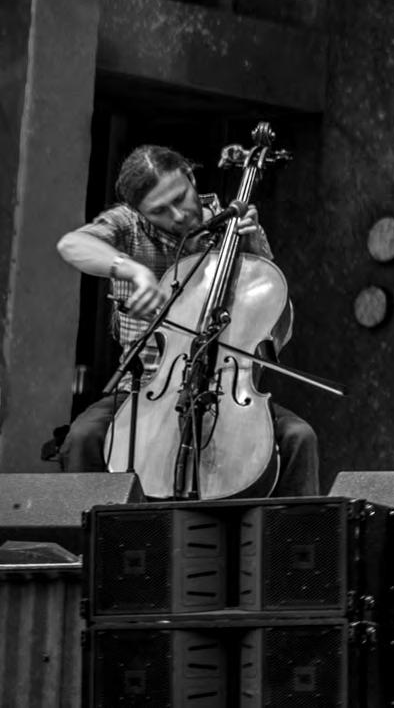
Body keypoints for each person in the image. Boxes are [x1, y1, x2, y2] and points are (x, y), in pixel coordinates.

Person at [55, 144, 319, 497]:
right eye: (159, 211)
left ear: (190, 177)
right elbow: (71, 244)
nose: (178, 215)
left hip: (225, 390)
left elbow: (278, 325)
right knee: (83, 437)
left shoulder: (235, 225)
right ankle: (93, 533)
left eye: (181, 197)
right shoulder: (128, 226)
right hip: (145, 390)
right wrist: (133, 270)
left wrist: (253, 249)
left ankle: (298, 534)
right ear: (138, 212)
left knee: (299, 437)